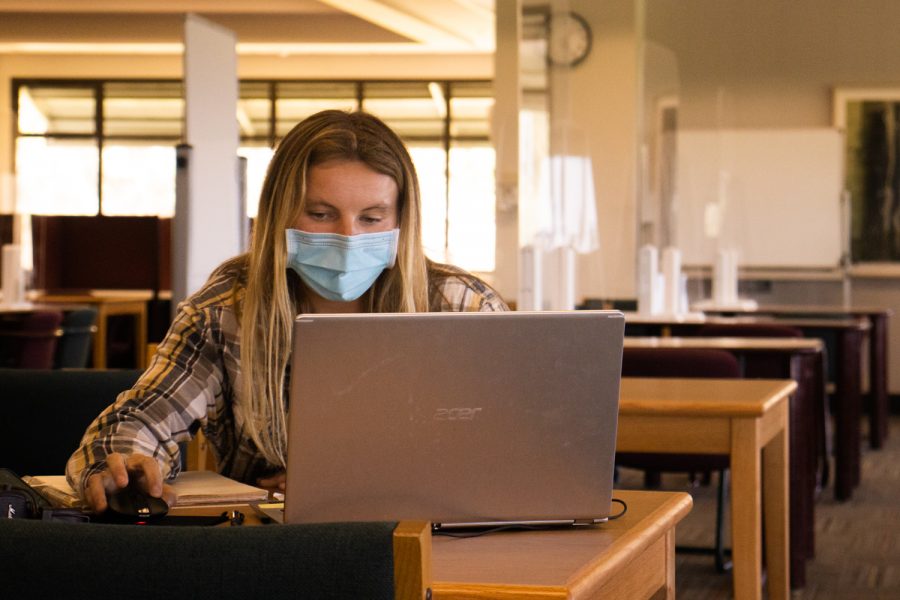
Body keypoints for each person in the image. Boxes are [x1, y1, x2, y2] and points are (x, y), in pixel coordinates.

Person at [66, 109, 508, 512]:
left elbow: (516, 445)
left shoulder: (462, 307)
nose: (348, 237)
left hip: (443, 542)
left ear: (401, 222)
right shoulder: (225, 311)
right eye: (320, 214)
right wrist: (123, 465)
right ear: (281, 213)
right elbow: (136, 423)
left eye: (372, 219)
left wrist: (349, 485)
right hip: (276, 553)